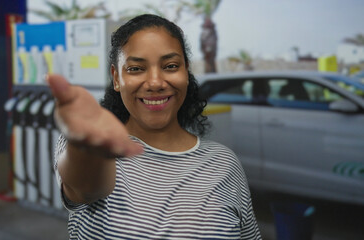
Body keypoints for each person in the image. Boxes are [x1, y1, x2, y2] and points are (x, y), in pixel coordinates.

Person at [47, 14, 261, 239]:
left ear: (186, 72)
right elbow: (85, 187)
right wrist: (86, 146)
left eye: (170, 66)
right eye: (136, 68)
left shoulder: (224, 164)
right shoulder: (93, 152)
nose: (156, 83)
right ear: (116, 78)